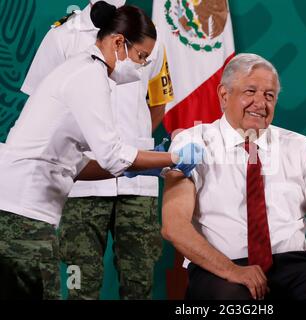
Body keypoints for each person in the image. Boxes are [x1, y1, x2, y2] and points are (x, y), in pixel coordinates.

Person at [0, 2, 201, 300]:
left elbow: (79, 165)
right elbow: (113, 156)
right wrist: (172, 158)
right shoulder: (88, 75)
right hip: (23, 212)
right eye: (141, 57)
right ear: (119, 42)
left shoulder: (85, 68)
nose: (143, 66)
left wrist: (151, 167)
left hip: (22, 211)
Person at [161, 53, 306, 300]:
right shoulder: (191, 142)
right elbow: (174, 226)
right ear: (224, 95)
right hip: (223, 268)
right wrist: (233, 271)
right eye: (250, 91)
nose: (260, 103)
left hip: (295, 265)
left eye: (269, 95)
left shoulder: (299, 146)